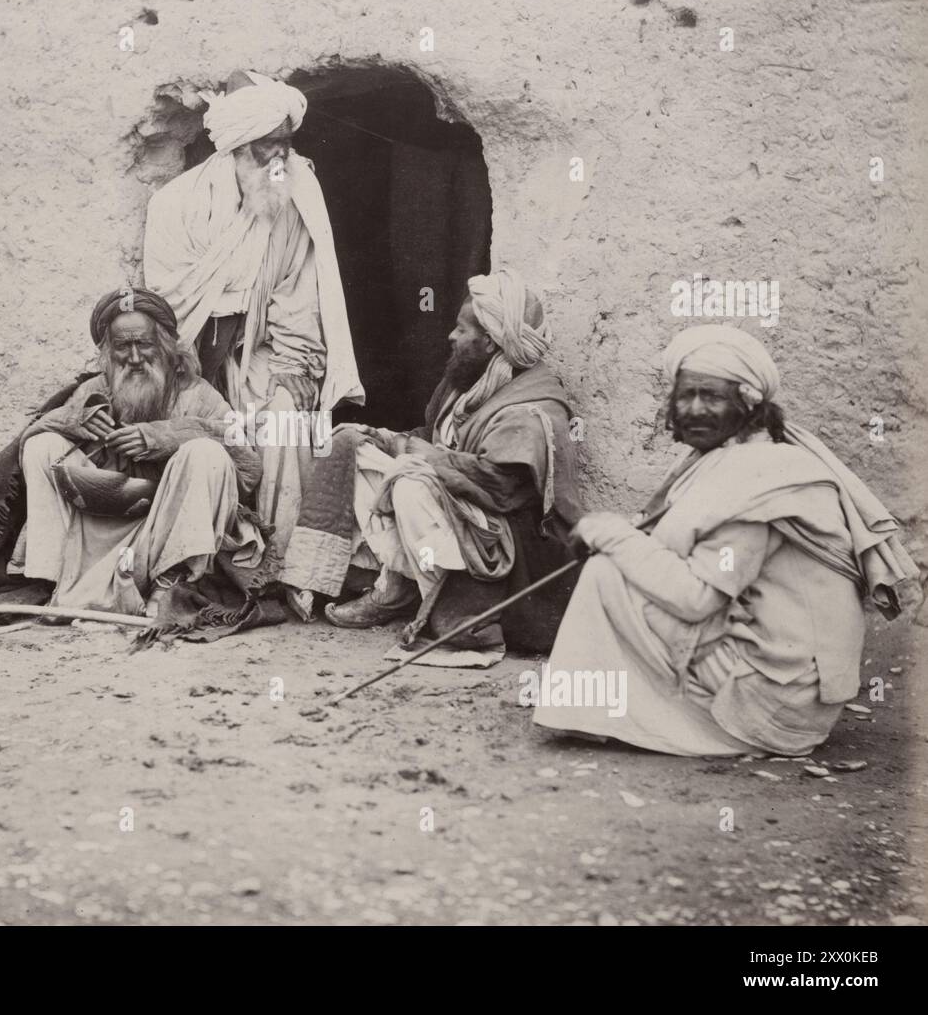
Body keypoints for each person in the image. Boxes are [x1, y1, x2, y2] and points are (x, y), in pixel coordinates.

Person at [533, 324, 919, 756]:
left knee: (608, 572)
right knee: (621, 561)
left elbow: (697, 599)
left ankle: (596, 709)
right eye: (686, 396)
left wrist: (608, 532)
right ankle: (595, 706)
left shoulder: (757, 479)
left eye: (712, 397)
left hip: (776, 707)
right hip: (789, 691)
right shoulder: (738, 458)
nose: (695, 409)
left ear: (748, 405)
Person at [143, 69, 364, 581]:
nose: (281, 158)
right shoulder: (174, 205)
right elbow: (167, 307)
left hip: (258, 353)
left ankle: (282, 566)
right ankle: (210, 560)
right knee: (192, 435)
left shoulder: (292, 201)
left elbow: (298, 298)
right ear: (237, 147)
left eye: (287, 143)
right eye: (268, 146)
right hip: (190, 358)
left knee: (285, 418)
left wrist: (292, 370)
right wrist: (192, 372)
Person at [306, 269, 582, 652]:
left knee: (410, 485)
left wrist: (428, 459)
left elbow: (500, 488)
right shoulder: (462, 384)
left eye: (461, 329)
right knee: (354, 448)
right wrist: (387, 440)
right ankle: (400, 586)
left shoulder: (530, 410)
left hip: (505, 540)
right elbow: (430, 437)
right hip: (457, 512)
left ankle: (438, 600)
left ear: (490, 342)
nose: (451, 336)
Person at [9, 287, 263, 617]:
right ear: (107, 353)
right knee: (42, 445)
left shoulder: (198, 394)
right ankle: (52, 582)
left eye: (143, 344)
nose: (133, 358)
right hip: (99, 533)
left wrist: (169, 437)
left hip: (165, 530)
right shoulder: (96, 390)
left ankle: (169, 586)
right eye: (122, 347)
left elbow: (249, 469)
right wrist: (72, 420)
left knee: (206, 453)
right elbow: (27, 441)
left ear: (164, 345)